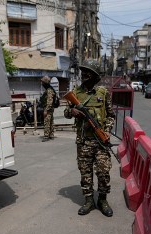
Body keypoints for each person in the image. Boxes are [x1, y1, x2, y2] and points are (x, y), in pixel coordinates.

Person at [64, 60, 115, 217]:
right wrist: (72, 112)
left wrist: (106, 131)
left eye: (88, 72)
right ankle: (88, 201)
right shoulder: (76, 93)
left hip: (100, 141)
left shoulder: (103, 93)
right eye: (83, 71)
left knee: (103, 171)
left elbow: (111, 115)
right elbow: (66, 112)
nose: (84, 74)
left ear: (95, 76)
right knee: (85, 172)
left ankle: (102, 200)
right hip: (83, 141)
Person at [40, 76, 55, 142]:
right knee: (51, 122)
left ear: (45, 82)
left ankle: (46, 136)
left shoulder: (49, 90)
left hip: (48, 109)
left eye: (42, 82)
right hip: (50, 109)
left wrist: (46, 110)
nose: (42, 83)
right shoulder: (50, 89)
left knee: (47, 122)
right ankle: (51, 135)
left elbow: (49, 101)